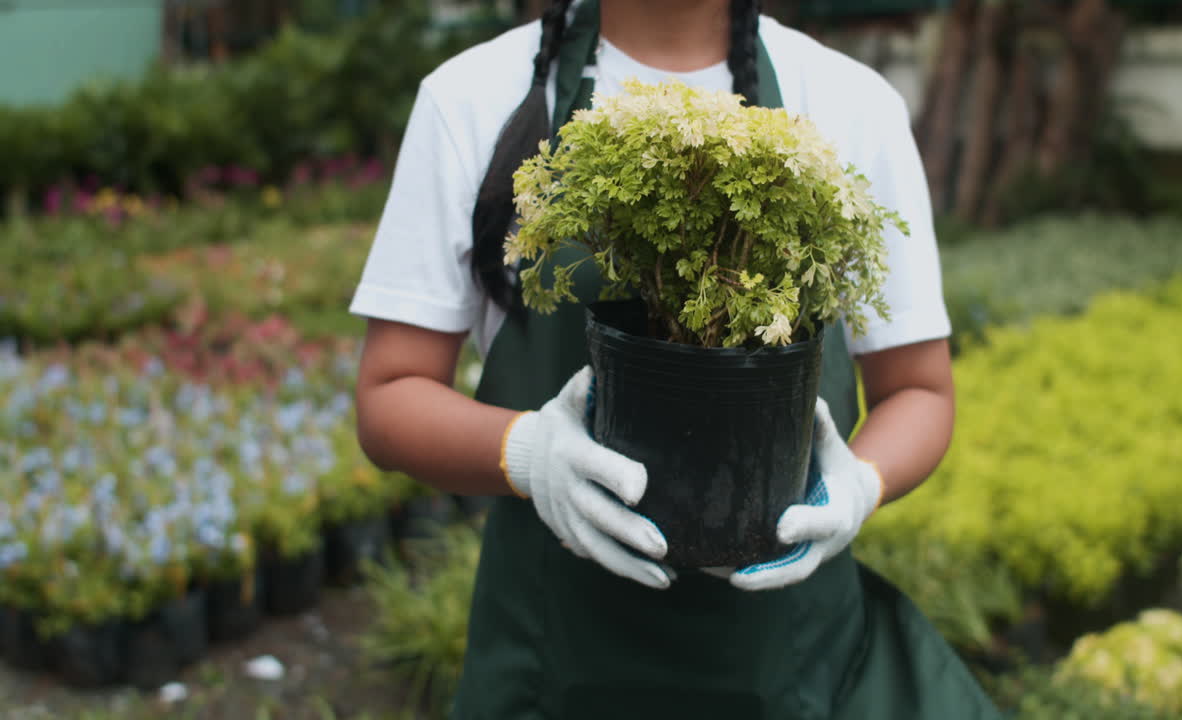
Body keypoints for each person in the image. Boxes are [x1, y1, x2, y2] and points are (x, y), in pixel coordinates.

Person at [349, 1, 1002, 717]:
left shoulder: (848, 101)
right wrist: (529, 453)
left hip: (793, 669)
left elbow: (919, 391)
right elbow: (390, 395)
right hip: (554, 661)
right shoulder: (473, 96)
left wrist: (858, 486)